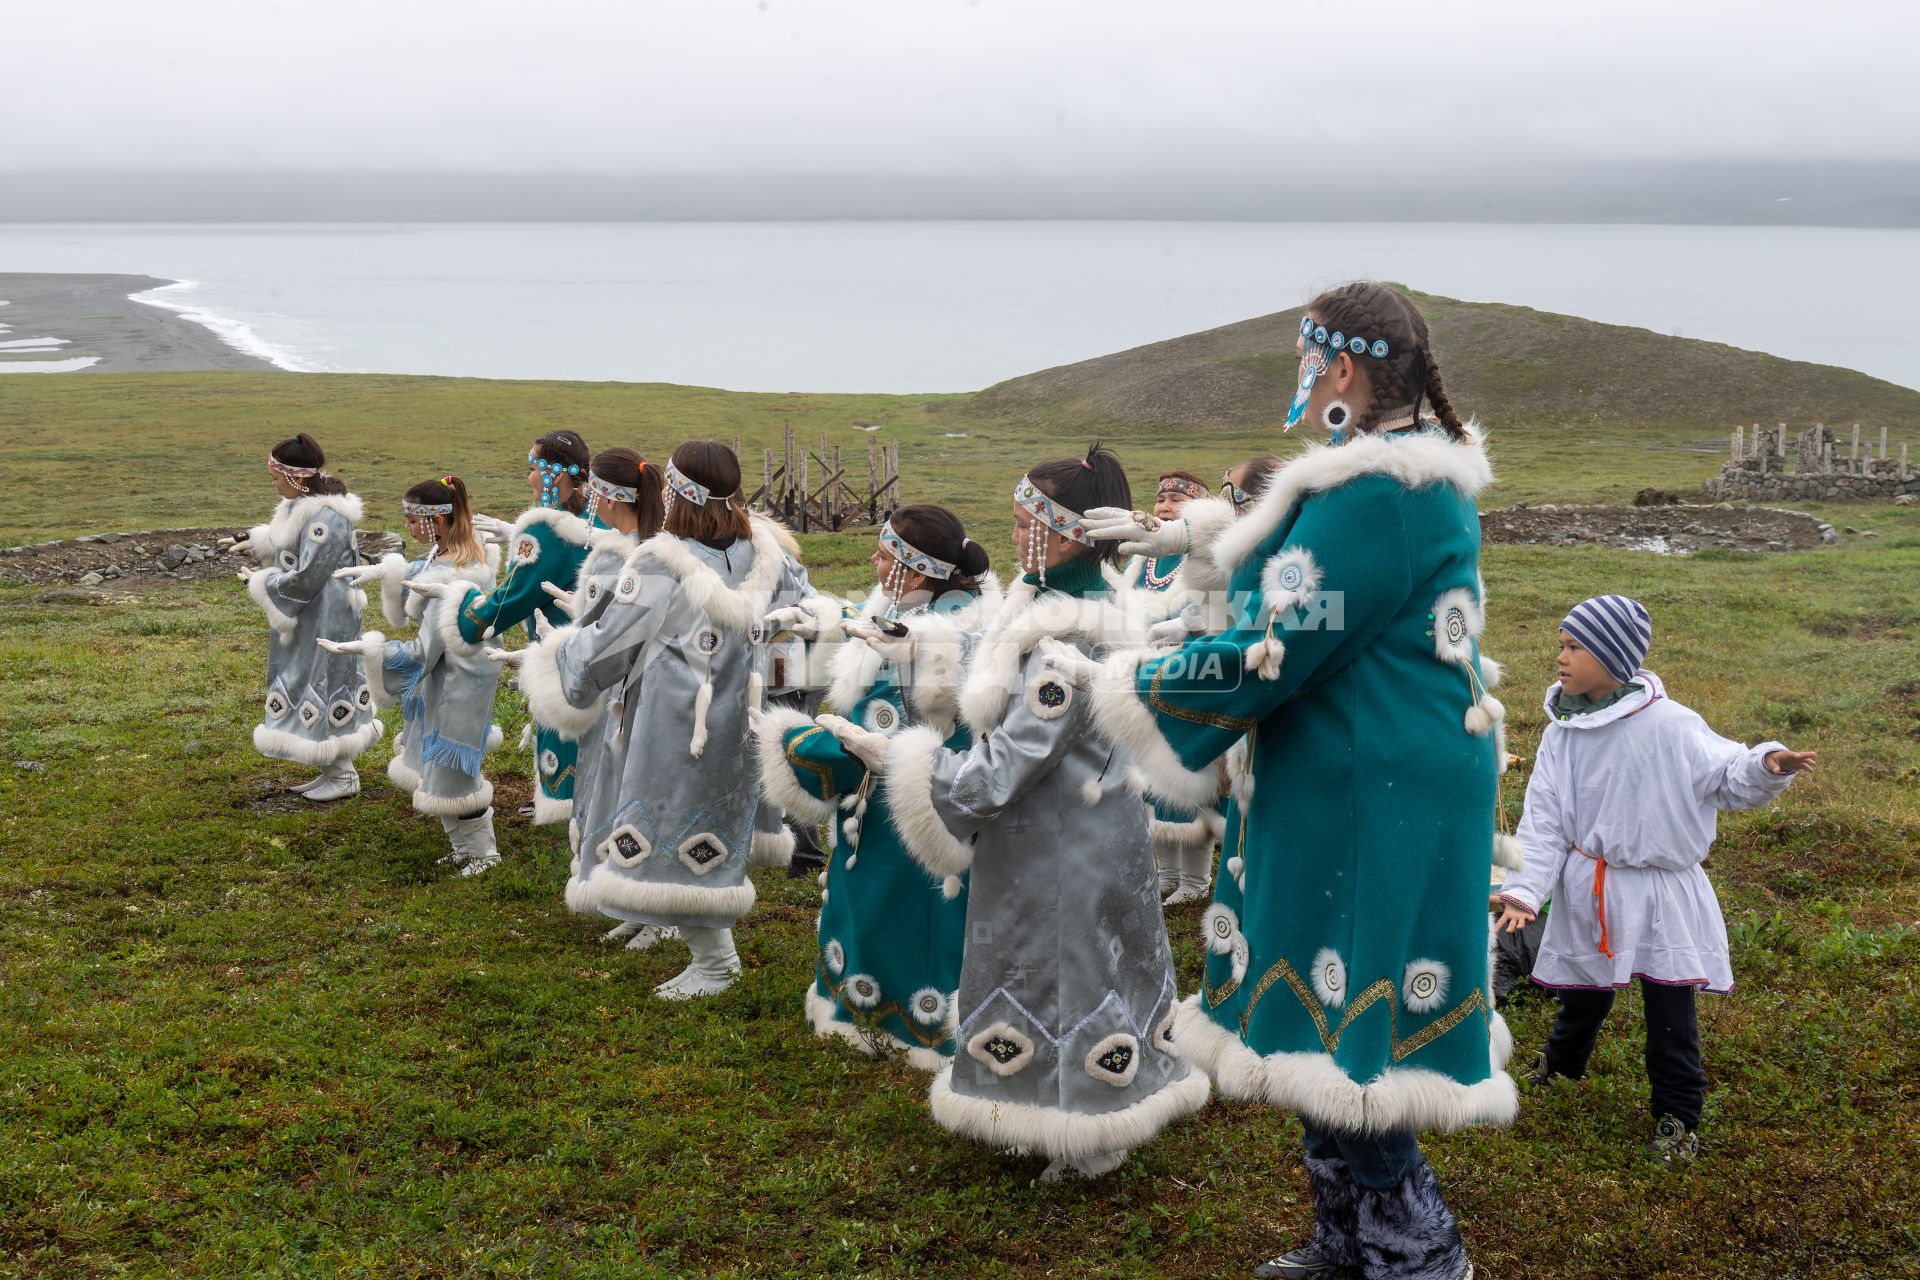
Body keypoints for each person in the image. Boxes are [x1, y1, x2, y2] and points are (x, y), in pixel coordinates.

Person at [1082, 283, 1508, 1279]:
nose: (1302, 377)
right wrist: (1199, 535)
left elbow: (1282, 640)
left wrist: (1131, 683)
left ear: (1343, 369)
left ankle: (1418, 1252)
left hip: (1369, 787)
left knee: (1353, 1035)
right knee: (1316, 1014)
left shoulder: (1380, 499)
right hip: (1358, 767)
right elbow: (1297, 555)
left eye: (1307, 359)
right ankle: (1346, 1235)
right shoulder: (1384, 483)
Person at [830, 446, 1208, 1182]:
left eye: (1019, 522)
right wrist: (922, 647)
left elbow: (1006, 766)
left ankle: (1095, 1131)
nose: (1009, 536)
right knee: (1063, 965)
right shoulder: (1063, 593)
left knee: (1068, 970)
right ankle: (1046, 1100)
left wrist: (899, 761)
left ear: (1061, 532)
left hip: (1062, 837)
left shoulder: (1068, 633)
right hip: (1080, 824)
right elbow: (996, 653)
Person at [1495, 596, 1814, 1166]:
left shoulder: (1673, 725)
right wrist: (1525, 891)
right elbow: (1544, 823)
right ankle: (1560, 1068)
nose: (1561, 659)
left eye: (1574, 647)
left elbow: (1726, 773)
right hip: (1593, 886)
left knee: (1671, 1009)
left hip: (1663, 892)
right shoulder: (1562, 734)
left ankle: (1677, 1118)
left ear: (1614, 657)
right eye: (1561, 646)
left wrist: (1766, 763)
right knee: (1584, 991)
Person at [500, 440, 808, 999]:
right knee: (709, 823)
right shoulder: (770, 560)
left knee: (669, 821)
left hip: (672, 726)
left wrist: (565, 655)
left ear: (679, 494)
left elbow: (610, 641)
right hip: (740, 720)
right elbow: (802, 625)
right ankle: (689, 938)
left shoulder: (660, 564)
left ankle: (715, 962)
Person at [755, 505, 997, 1069]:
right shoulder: (922, 614)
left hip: (905, 807)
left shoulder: (926, 646)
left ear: (915, 573)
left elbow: (867, 734)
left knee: (902, 904)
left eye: (885, 553)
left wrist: (788, 742)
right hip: (924, 797)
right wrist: (817, 619)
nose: (873, 558)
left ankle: (906, 1022)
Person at [322, 475, 505, 873]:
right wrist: (388, 573)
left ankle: (483, 853)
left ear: (435, 522)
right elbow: (415, 572)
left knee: (454, 767)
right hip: (449, 676)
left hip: (460, 681)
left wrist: (371, 652)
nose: (408, 528)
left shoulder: (454, 579)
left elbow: (423, 651)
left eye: (411, 521)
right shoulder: (449, 556)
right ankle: (463, 848)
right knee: (435, 762)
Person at [534, 450, 670, 943]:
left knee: (630, 791)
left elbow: (604, 631)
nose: (589, 497)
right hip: (630, 688)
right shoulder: (647, 548)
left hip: (621, 688)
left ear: (611, 497)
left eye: (594, 489)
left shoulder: (622, 556)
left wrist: (568, 648)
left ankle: (655, 909)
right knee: (622, 789)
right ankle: (633, 898)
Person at [224, 434, 381, 802]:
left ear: (295, 477)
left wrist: (263, 582)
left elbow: (308, 574)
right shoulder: (305, 507)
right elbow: (292, 545)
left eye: (276, 477)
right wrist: (258, 539)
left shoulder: (326, 517)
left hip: (327, 614)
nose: (274, 484)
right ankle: (334, 770)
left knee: (324, 678)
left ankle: (343, 775)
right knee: (315, 677)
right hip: (315, 614)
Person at [452, 430, 594, 824]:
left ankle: (565, 803)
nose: (529, 477)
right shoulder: (596, 516)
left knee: (562, 723)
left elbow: (511, 599)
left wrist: (464, 611)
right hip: (600, 648)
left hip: (561, 652)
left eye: (533, 469)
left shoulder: (546, 531)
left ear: (554, 475)